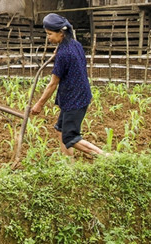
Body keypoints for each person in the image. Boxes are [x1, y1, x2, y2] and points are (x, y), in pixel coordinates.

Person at [31, 13, 105, 157]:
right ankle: (68, 167)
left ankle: (108, 157)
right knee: (60, 130)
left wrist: (39, 104)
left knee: (71, 138)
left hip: (74, 99)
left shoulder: (64, 54)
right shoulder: (74, 44)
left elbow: (52, 84)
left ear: (61, 33)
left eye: (50, 34)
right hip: (78, 94)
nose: (48, 38)